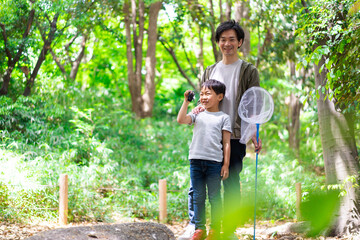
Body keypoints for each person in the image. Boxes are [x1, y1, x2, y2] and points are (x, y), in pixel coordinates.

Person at [178, 20, 262, 240]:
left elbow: (253, 104)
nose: (227, 44)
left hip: (234, 135)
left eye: (232, 39)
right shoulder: (210, 70)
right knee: (197, 183)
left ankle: (229, 230)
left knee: (231, 182)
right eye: (223, 39)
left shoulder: (248, 70)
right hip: (209, 136)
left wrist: (254, 134)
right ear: (218, 43)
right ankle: (195, 226)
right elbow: (205, 98)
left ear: (240, 42)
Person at [177, 80, 232, 240]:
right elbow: (181, 119)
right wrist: (186, 102)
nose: (203, 97)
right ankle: (199, 229)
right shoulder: (197, 113)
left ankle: (215, 228)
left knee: (215, 196)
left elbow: (227, 142)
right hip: (195, 161)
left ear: (220, 96)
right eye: (201, 94)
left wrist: (226, 165)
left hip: (214, 163)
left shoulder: (223, 117)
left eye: (208, 93)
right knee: (198, 196)